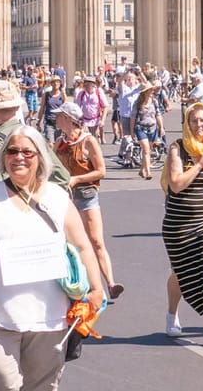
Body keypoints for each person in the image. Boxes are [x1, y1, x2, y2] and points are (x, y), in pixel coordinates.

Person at [0, 126, 104, 391]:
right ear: (4, 158)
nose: (19, 157)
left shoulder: (59, 200)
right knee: (1, 384)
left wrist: (96, 287)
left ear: (40, 158)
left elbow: (82, 246)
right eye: (12, 151)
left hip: (49, 320)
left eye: (27, 152)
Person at [162, 102, 203, 348]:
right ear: (187, 124)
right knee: (180, 272)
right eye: (194, 121)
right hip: (178, 223)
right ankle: (172, 314)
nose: (199, 125)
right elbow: (177, 184)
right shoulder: (177, 149)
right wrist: (200, 163)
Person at [52, 101, 122, 298]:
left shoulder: (88, 141)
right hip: (66, 199)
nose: (55, 118)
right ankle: (83, 283)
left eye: (59, 116)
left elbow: (101, 171)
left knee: (96, 241)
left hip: (86, 195)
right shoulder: (60, 142)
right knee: (72, 244)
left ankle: (110, 283)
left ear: (68, 119)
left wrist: (76, 179)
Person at [0, 81, 70, 202]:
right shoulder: (32, 135)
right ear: (17, 107)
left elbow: (0, 190)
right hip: (37, 212)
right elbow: (62, 177)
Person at [132, 82, 162, 179]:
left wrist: (161, 127)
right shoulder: (138, 103)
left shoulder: (154, 101)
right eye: (150, 90)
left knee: (148, 150)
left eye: (152, 89)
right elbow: (133, 118)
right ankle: (148, 172)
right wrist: (131, 131)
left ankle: (142, 169)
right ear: (145, 92)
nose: (152, 91)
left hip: (152, 128)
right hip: (140, 127)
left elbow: (158, 114)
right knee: (145, 149)